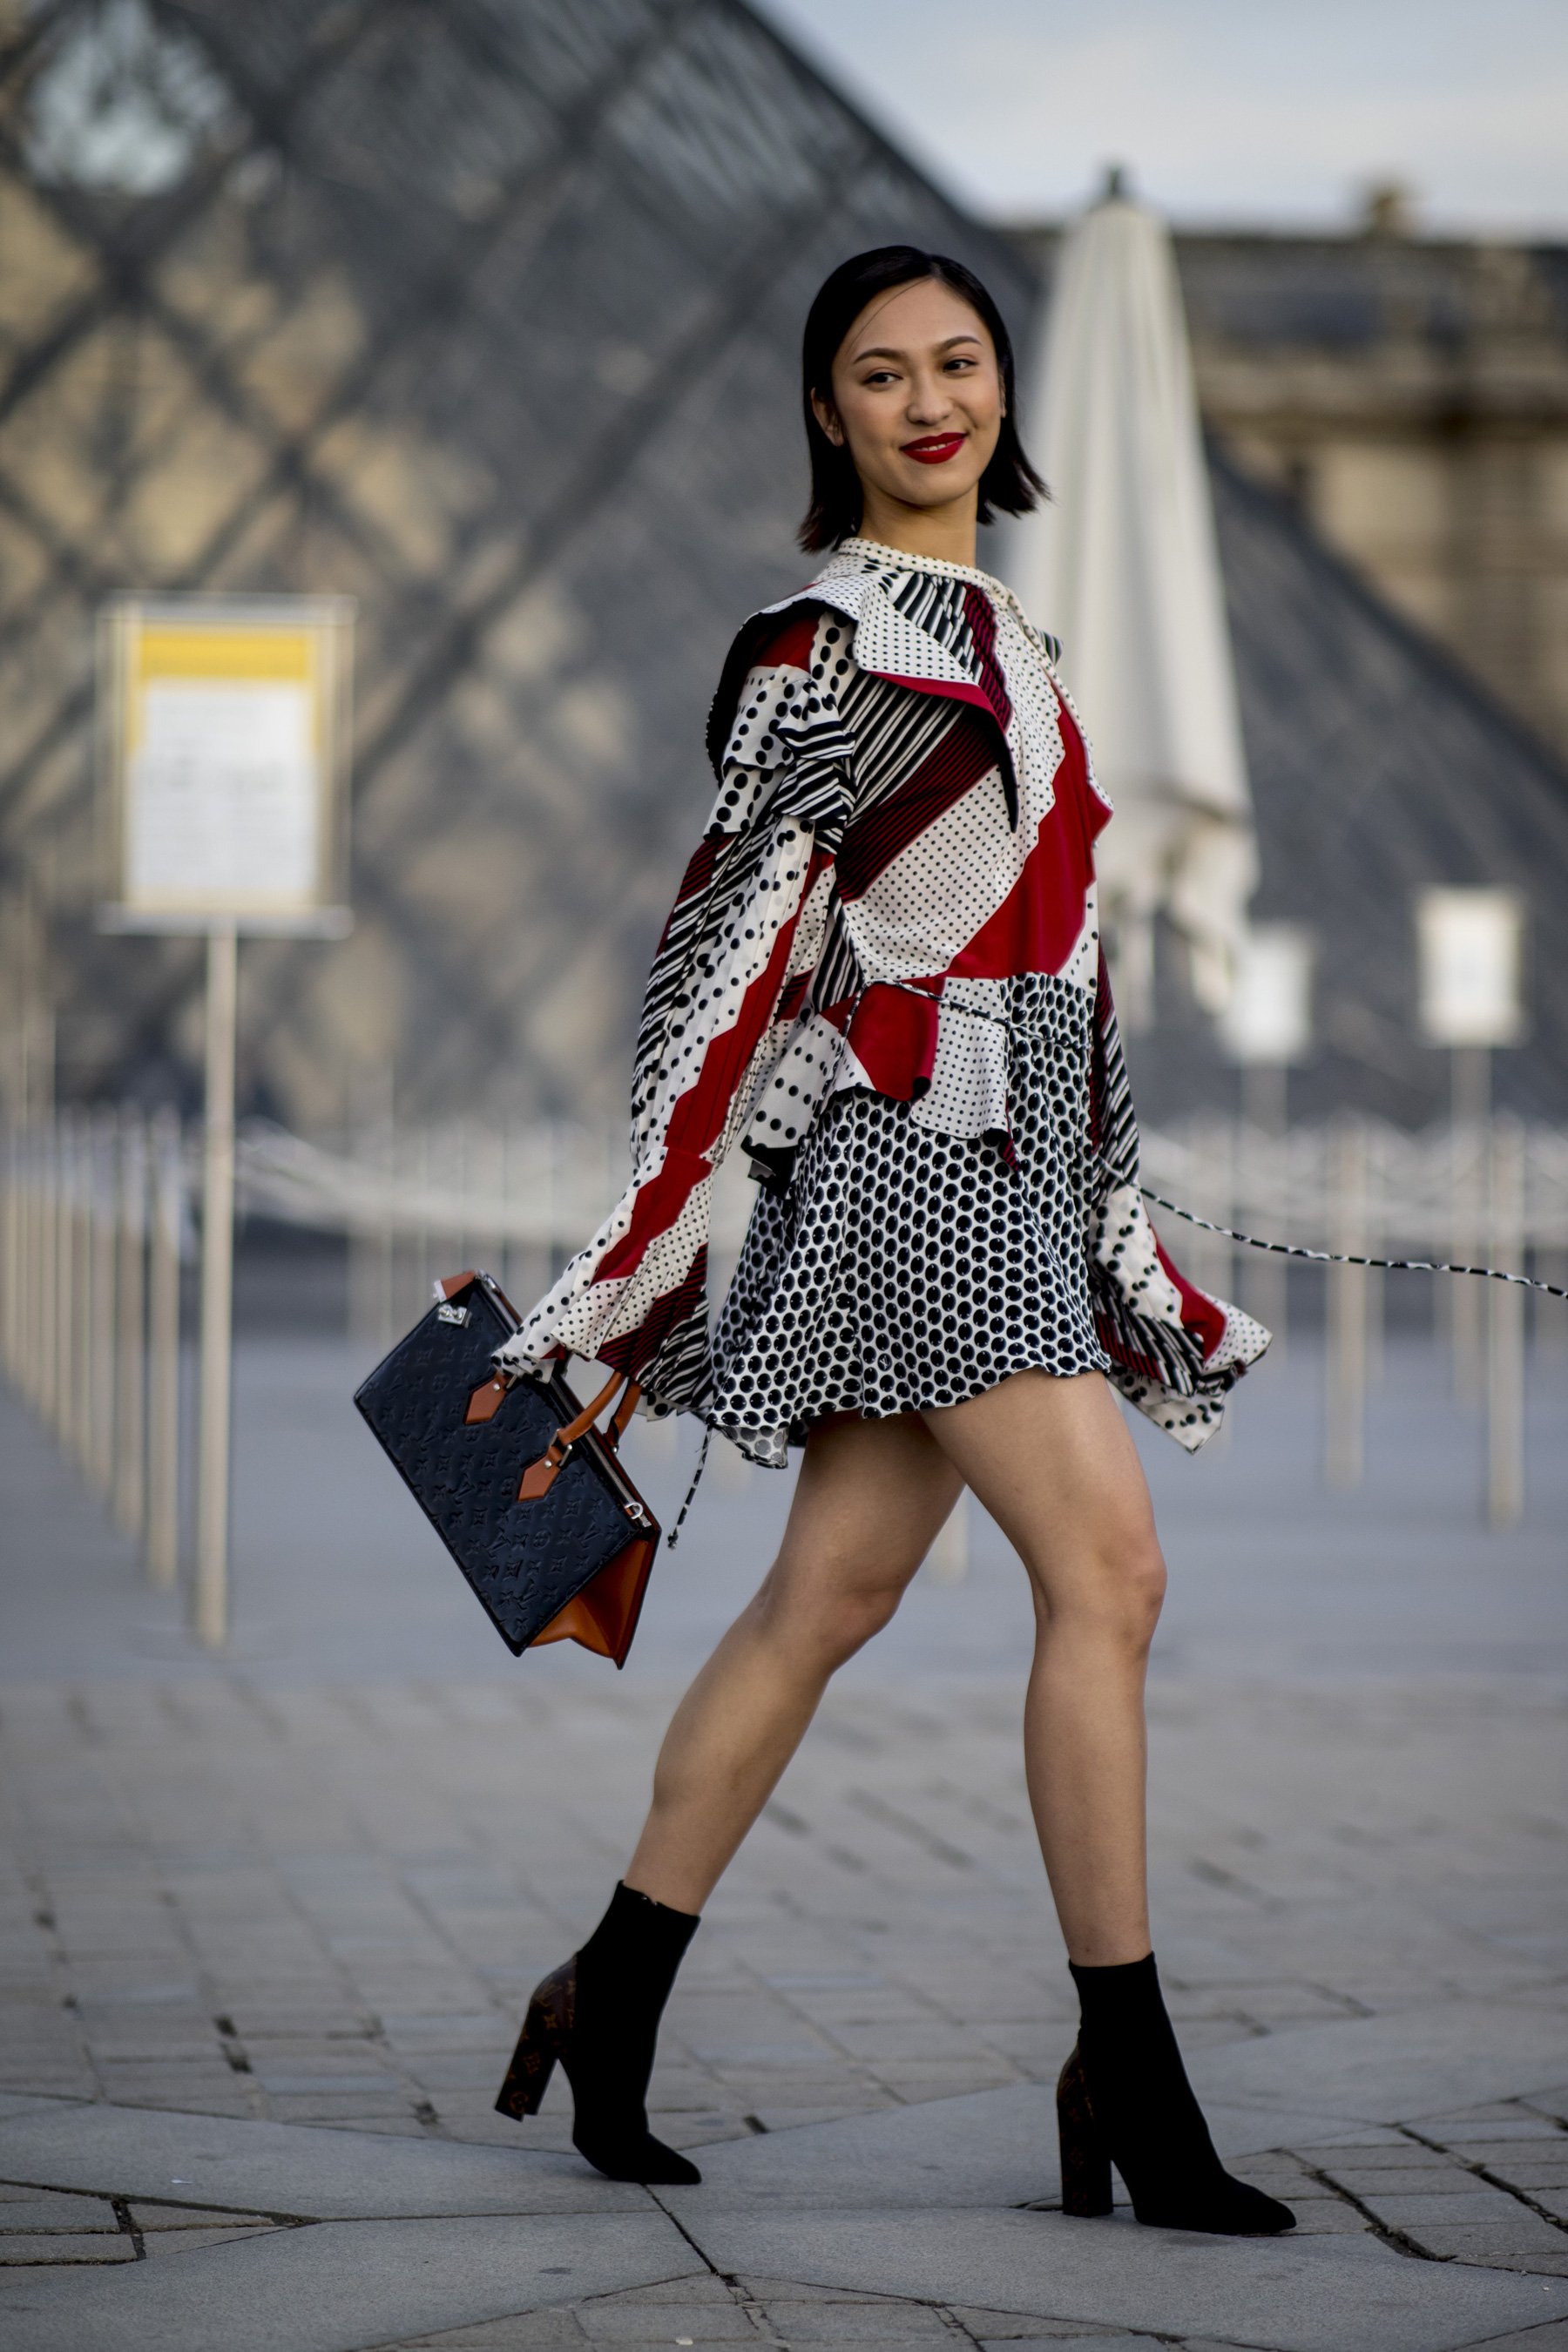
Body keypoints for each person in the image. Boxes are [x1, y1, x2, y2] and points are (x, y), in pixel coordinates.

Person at [489, 247, 1290, 2237]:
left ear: (1003, 390)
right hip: (916, 1167)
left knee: (822, 1603)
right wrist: (636, 1247)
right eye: (879, 373)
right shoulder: (818, 645)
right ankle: (1131, 2070)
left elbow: (1073, 960)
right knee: (1110, 1573)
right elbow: (729, 945)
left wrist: (1109, 1212)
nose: (931, 398)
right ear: (825, 416)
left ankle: (614, 1996)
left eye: (960, 362)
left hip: (1012, 1167)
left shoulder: (1012, 628)